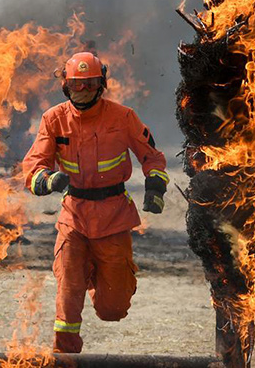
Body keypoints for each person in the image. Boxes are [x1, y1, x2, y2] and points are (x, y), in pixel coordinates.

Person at [22, 52, 169, 353]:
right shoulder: (54, 119)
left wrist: (155, 186)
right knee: (67, 292)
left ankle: (97, 278)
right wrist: (48, 180)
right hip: (73, 218)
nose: (83, 90)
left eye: (90, 84)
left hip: (113, 216)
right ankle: (65, 354)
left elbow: (152, 157)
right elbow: (34, 165)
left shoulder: (123, 117)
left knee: (112, 309)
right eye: (77, 84)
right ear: (66, 86)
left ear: (101, 84)